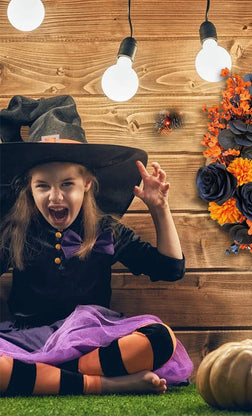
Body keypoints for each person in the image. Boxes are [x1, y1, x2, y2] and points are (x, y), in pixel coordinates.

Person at [0, 95, 193, 396]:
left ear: (87, 184)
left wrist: (159, 209)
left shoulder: (107, 230)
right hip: (28, 341)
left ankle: (48, 377)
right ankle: (102, 384)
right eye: (43, 186)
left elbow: (170, 269)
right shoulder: (15, 231)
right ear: (29, 187)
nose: (55, 197)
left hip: (93, 343)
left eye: (67, 184)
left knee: (160, 338)